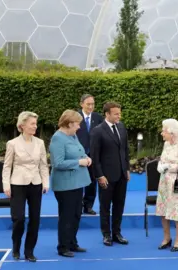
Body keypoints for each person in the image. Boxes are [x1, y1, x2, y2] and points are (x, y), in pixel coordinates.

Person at [2, 111, 49, 262]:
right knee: (19, 219)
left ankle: (29, 251)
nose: (35, 126)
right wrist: (6, 185)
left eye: (36, 123)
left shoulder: (40, 143)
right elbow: (7, 167)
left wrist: (45, 182)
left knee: (35, 219)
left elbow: (43, 165)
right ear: (22, 126)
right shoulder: (12, 143)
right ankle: (16, 247)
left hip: (36, 184)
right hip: (17, 184)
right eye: (32, 124)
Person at [49, 110, 92, 257]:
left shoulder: (72, 135)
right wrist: (79, 162)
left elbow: (79, 151)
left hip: (77, 182)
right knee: (66, 216)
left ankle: (72, 243)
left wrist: (86, 157)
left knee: (76, 214)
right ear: (69, 124)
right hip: (65, 185)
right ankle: (63, 246)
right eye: (77, 124)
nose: (79, 127)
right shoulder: (57, 139)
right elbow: (58, 163)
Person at [90, 101, 130, 246]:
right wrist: (100, 175)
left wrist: (127, 169)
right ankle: (106, 234)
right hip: (106, 176)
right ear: (107, 114)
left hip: (121, 175)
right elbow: (95, 156)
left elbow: (125, 150)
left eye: (119, 113)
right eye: (116, 114)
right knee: (105, 206)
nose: (119, 116)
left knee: (119, 205)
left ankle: (117, 233)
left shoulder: (121, 127)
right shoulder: (97, 131)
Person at [155, 119, 178, 252]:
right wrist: (160, 165)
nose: (161, 133)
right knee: (163, 209)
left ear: (171, 132)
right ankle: (166, 238)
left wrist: (168, 167)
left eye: (163, 130)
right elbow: (163, 159)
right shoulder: (166, 144)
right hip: (164, 181)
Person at [76, 94, 103, 215]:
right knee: (76, 182)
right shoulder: (75, 117)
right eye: (88, 104)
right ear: (81, 104)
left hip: (93, 155)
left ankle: (88, 206)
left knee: (92, 182)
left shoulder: (98, 118)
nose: (91, 106)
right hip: (77, 155)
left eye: (93, 104)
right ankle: (76, 206)